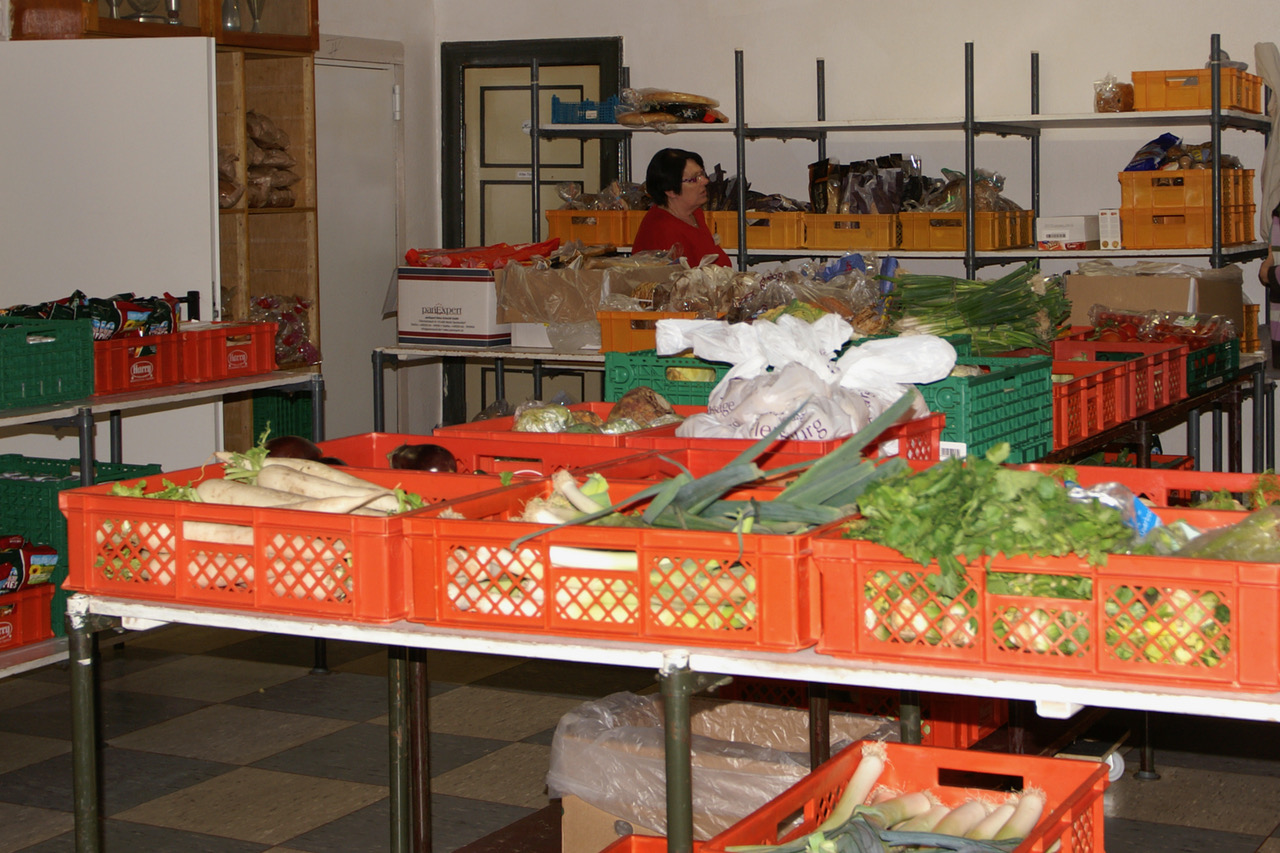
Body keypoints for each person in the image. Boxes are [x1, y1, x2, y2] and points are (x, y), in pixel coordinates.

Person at [631, 148, 732, 267]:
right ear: (671, 191)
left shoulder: (695, 214)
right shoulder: (662, 230)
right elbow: (677, 282)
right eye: (694, 179)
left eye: (702, 174)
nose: (705, 181)